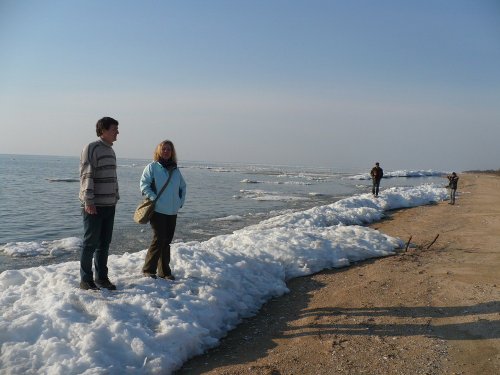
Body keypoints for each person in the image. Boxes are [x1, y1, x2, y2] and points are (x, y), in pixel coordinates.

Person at [79, 117, 120, 291]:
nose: (117, 132)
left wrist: (116, 196)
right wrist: (89, 201)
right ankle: (86, 280)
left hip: (109, 205)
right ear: (103, 130)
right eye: (114, 129)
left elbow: (112, 176)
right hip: (94, 206)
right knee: (90, 243)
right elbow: (87, 175)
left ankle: (102, 277)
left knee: (104, 243)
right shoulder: (92, 148)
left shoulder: (111, 151)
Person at [140, 140, 186, 280]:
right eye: (164, 149)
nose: (166, 151)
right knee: (159, 239)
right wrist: (154, 198)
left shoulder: (175, 170)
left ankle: (165, 271)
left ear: (172, 152)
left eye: (169, 149)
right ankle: (149, 269)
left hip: (172, 211)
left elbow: (183, 187)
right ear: (159, 151)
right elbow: (144, 185)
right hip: (158, 210)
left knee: (167, 241)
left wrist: (179, 202)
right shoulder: (152, 167)